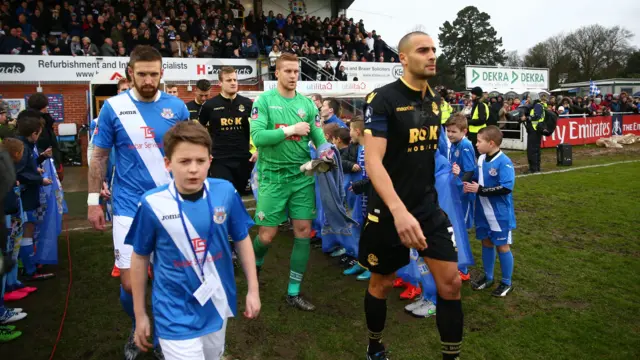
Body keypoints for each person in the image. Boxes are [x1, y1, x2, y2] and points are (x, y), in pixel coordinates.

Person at [359, 31, 462, 360]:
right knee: (381, 284)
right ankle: (375, 346)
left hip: (427, 209)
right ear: (403, 58)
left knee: (451, 285)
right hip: (389, 212)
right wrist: (398, 210)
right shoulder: (382, 99)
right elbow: (373, 161)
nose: (432, 55)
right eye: (423, 50)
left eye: (434, 49)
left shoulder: (435, 100)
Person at [87, 45, 190, 360]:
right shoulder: (112, 108)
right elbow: (100, 156)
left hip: (170, 206)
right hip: (129, 207)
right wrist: (93, 200)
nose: (148, 80)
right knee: (132, 285)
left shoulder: (178, 108)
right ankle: (139, 327)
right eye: (142, 74)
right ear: (130, 72)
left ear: (162, 74)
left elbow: (189, 155)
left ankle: (159, 336)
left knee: (167, 277)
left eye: (154, 74)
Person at [127, 121, 260, 360]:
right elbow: (139, 258)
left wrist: (253, 289)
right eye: (184, 161)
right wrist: (140, 314)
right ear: (168, 164)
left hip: (217, 302)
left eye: (200, 161)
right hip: (173, 310)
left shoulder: (225, 192)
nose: (193, 169)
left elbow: (242, 240)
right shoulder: (151, 204)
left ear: (210, 161)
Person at [250, 53, 327, 311]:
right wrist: (291, 130)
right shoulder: (264, 101)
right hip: (273, 178)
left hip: (302, 177)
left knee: (303, 230)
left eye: (296, 71)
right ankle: (255, 265)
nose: (294, 76)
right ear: (277, 73)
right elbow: (259, 137)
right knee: (268, 235)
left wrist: (326, 150)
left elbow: (318, 135)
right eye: (289, 71)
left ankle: (293, 292)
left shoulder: (307, 104)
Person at [463, 126, 516, 297]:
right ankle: (488, 277)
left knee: (502, 246)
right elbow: (477, 178)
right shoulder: (481, 159)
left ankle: (507, 282)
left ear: (491, 143)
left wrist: (480, 190)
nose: (476, 144)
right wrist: (463, 178)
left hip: (499, 214)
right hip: (482, 211)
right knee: (486, 242)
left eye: (479, 141)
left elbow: (506, 188)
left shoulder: (504, 161)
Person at [88, 77, 130, 278]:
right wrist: (100, 181)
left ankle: (146, 263)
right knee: (118, 219)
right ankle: (119, 259)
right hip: (114, 178)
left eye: (128, 89)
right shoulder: (101, 119)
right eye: (122, 89)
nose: (126, 92)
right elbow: (95, 154)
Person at [198, 67, 255, 193]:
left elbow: (258, 128)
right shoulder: (209, 105)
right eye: (229, 80)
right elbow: (198, 130)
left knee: (238, 195)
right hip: (219, 160)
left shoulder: (247, 103)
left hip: (243, 158)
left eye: (235, 79)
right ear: (220, 83)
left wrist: (257, 150)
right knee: (225, 194)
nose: (233, 82)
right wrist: (204, 151)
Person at [15, 111, 55, 282]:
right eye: (39, 133)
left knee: (27, 230)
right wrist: (40, 179)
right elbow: (19, 172)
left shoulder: (23, 145)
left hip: (26, 195)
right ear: (34, 133)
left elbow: (27, 167)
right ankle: (29, 269)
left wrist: (40, 159)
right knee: (27, 230)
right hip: (24, 197)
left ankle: (28, 264)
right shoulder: (22, 147)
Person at [447, 114, 477, 281]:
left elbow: (470, 170)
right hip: (456, 194)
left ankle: (463, 269)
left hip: (463, 195)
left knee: (460, 230)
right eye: (448, 131)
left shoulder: (464, 145)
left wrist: (461, 185)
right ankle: (457, 263)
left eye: (454, 131)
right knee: (454, 229)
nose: (450, 134)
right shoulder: (455, 144)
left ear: (464, 131)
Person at [519, 92, 544, 173]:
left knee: (532, 150)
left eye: (529, 98)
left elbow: (537, 116)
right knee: (534, 150)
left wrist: (526, 118)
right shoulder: (534, 106)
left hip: (535, 130)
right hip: (533, 130)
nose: (528, 99)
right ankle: (535, 168)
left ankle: (534, 168)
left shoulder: (538, 105)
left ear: (533, 97)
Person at [466, 86, 488, 157]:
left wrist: (468, 121)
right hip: (474, 132)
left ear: (477, 95)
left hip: (477, 132)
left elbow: (481, 120)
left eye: (472, 94)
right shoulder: (477, 104)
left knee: (478, 153)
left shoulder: (480, 105)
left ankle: (481, 167)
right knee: (475, 153)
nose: (471, 96)